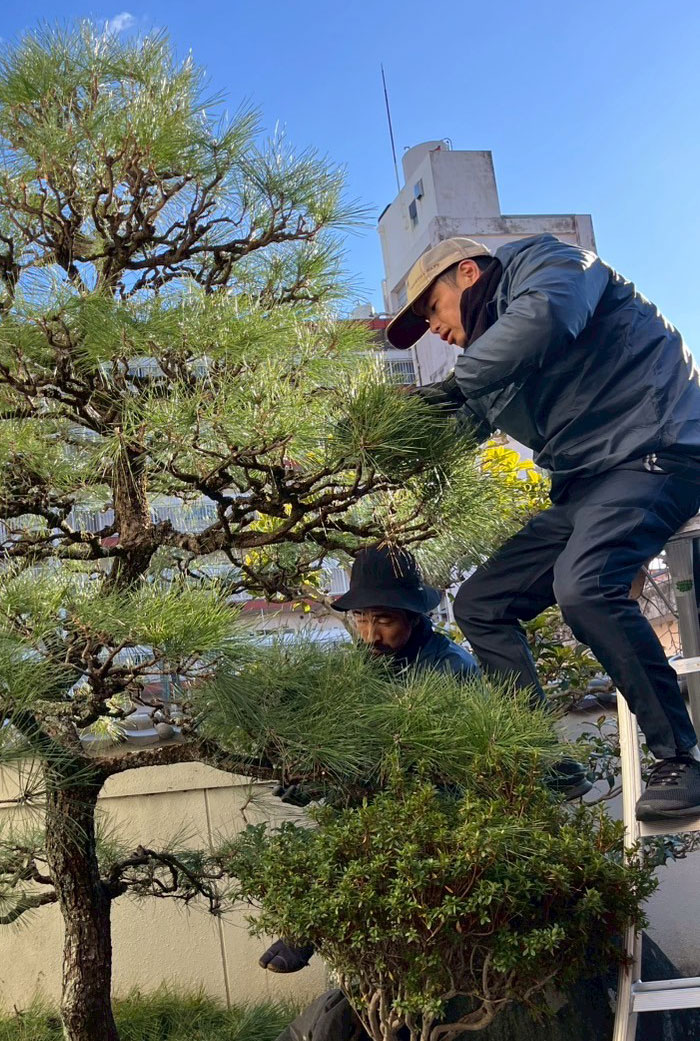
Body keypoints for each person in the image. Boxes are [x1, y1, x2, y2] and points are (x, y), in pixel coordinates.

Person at [386, 234, 700, 823]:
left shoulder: (548, 263)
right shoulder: (490, 362)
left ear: (469, 275)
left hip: (655, 449)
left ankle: (680, 759)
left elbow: (549, 314)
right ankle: (537, 756)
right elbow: (460, 428)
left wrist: (451, 387)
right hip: (587, 486)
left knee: (585, 587)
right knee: (482, 604)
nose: (432, 328)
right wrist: (381, 447)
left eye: (431, 308)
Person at [260, 543, 479, 974]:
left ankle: (309, 927)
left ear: (414, 617)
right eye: (362, 618)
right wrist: (313, 771)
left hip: (441, 808)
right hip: (375, 800)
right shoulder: (365, 664)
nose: (370, 634)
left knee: (361, 836)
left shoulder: (450, 668)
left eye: (384, 620)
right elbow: (346, 740)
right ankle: (309, 924)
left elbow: (443, 765)